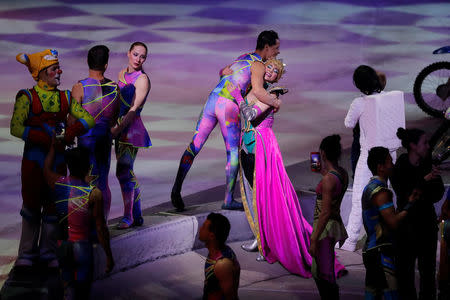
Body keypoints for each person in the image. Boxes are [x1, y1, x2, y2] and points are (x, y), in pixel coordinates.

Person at [227, 60, 346, 278]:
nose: (270, 72)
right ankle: (261, 239)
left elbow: (251, 115)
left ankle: (267, 243)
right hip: (247, 146)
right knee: (254, 195)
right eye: (268, 68)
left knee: (265, 197)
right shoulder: (257, 90)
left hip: (262, 147)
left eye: (275, 71)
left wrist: (236, 95)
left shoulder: (273, 95)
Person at [171, 30, 282, 211]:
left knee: (194, 145)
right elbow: (260, 91)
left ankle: (176, 188)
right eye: (276, 48)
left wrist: (221, 71)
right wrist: (275, 101)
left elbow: (224, 72)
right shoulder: (259, 65)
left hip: (213, 99)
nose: (277, 52)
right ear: (267, 47)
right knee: (232, 153)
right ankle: (228, 199)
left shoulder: (243, 57)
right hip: (228, 105)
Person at [10, 49, 95, 271]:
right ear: (41, 73)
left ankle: (48, 251)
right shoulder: (26, 97)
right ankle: (27, 253)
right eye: (54, 68)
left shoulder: (65, 97)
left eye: (58, 67)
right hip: (33, 162)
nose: (59, 71)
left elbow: (88, 119)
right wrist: (43, 137)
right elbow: (16, 127)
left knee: (52, 208)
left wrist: (72, 131)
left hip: (57, 163)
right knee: (30, 206)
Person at [342, 65, 405, 252]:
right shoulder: (391, 97)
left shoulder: (360, 102)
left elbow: (348, 123)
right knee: (387, 195)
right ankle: (390, 235)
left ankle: (351, 240)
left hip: (369, 155)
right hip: (389, 154)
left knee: (360, 196)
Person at [43, 140, 114, 299]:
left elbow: (46, 169)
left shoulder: (58, 183)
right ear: (86, 167)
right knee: (82, 291)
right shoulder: (94, 194)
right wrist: (109, 255)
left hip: (63, 246)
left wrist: (53, 147)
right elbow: (101, 227)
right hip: (82, 247)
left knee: (69, 290)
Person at [391, 128, 444, 300]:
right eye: (425, 143)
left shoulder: (426, 163)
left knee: (428, 274)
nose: (428, 146)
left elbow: (438, 193)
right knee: (405, 276)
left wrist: (424, 186)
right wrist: (423, 182)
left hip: (427, 227)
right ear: (413, 146)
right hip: (407, 230)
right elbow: (405, 194)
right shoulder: (400, 166)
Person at [362, 147, 418, 299]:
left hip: (372, 250)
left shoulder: (370, 187)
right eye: (389, 161)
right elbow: (393, 222)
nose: (392, 165)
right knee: (390, 296)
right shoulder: (381, 192)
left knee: (373, 295)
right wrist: (409, 205)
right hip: (380, 252)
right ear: (380, 167)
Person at [71, 45, 120, 220]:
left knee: (85, 182)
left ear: (87, 62)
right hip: (104, 140)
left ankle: (85, 226)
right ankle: (102, 224)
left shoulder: (80, 87)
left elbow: (72, 119)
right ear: (106, 65)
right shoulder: (114, 88)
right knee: (103, 183)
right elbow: (114, 119)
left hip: (86, 142)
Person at [111, 41, 151, 229]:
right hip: (120, 126)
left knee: (124, 171)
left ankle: (129, 216)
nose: (138, 59)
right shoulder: (121, 74)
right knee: (124, 172)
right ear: (128, 54)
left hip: (131, 129)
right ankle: (136, 214)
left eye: (142, 56)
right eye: (136, 54)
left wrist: (117, 130)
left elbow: (133, 109)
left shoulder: (142, 79)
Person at [309, 135, 349, 299]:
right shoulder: (342, 174)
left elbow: (325, 212)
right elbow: (331, 185)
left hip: (324, 227)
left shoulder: (328, 180)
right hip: (333, 224)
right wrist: (322, 171)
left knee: (324, 273)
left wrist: (313, 238)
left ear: (323, 154)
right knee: (321, 270)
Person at [199, 212, 240, 300]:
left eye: (203, 227)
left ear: (211, 236)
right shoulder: (214, 252)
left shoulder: (222, 264)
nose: (200, 229)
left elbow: (231, 297)